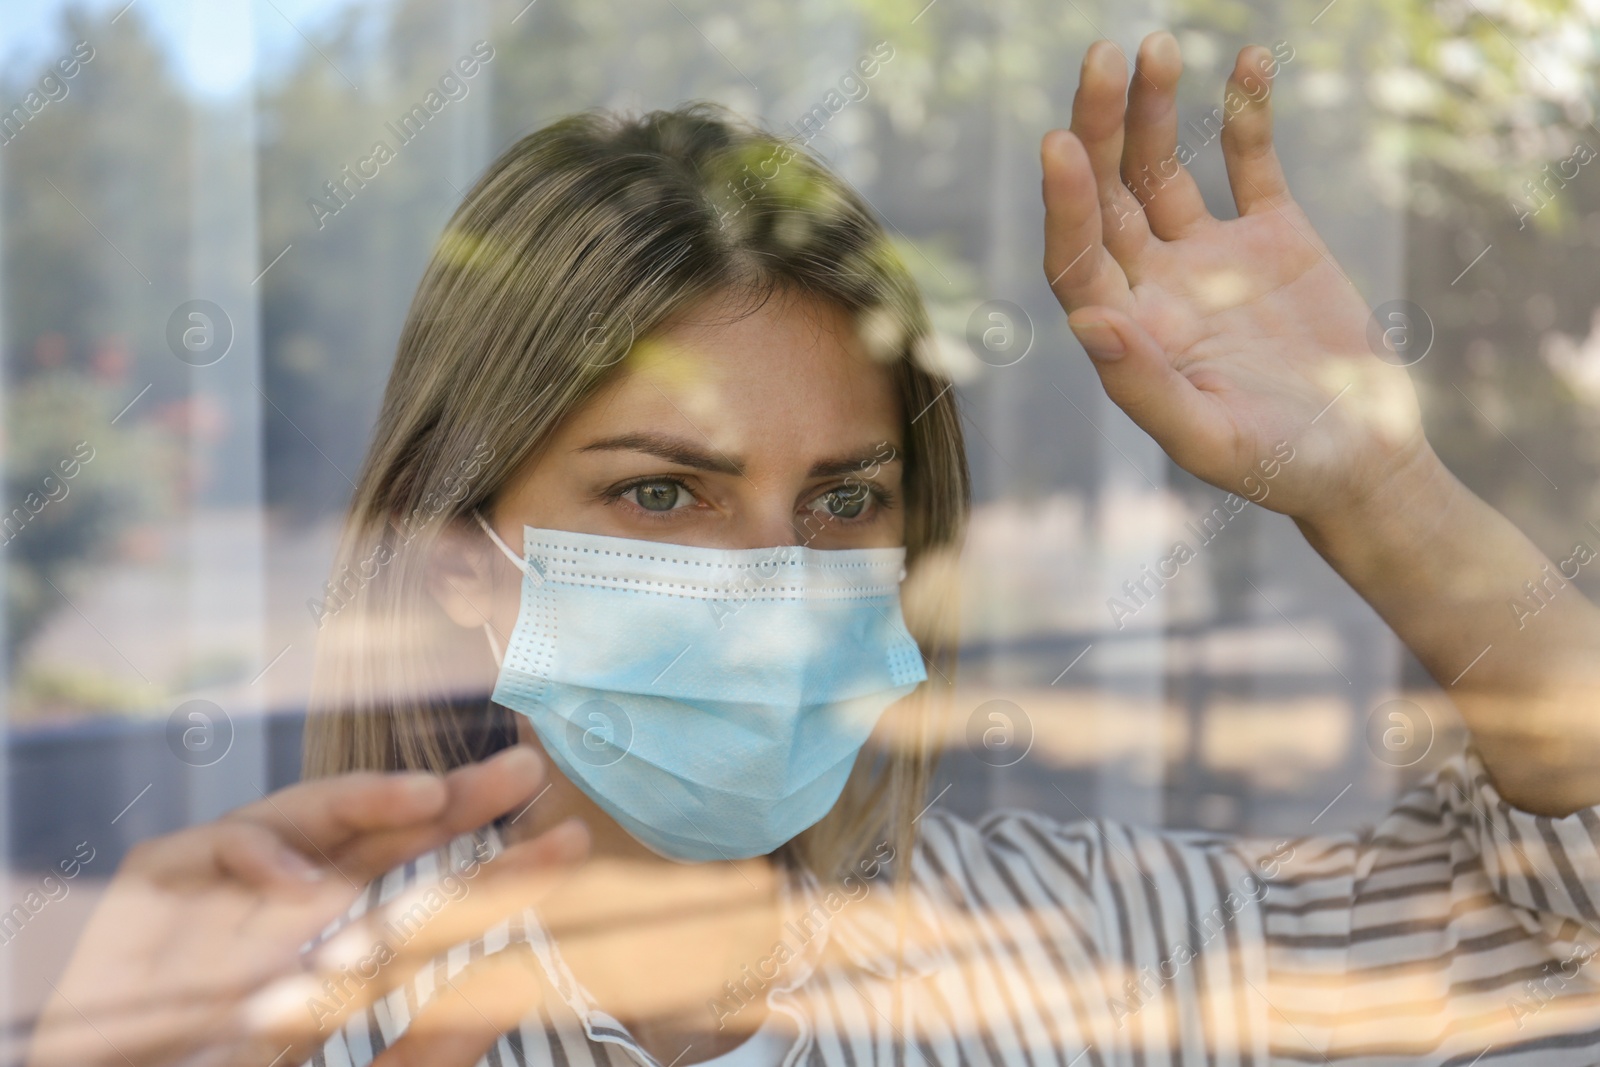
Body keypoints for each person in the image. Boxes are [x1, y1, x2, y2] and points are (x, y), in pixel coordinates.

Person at [26, 31, 1600, 1067]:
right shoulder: (293, 1020)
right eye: (663, 494)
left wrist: (1373, 482)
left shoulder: (1091, 951)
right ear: (461, 566)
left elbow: (1553, 943)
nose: (776, 584)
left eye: (843, 501)